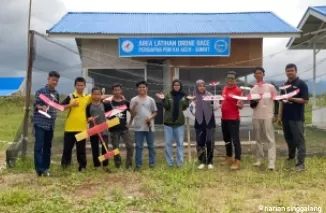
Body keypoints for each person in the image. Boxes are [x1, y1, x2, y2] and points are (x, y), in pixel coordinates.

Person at [60, 77, 110, 172]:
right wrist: (71, 105)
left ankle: (82, 167)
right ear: (75, 86)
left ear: (85, 86)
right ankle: (64, 166)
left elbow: (101, 96)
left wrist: (117, 97)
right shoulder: (70, 96)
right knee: (67, 149)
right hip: (69, 128)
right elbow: (60, 107)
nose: (80, 87)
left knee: (81, 150)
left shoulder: (88, 97)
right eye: (78, 85)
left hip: (82, 128)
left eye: (82, 85)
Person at [277, 63, 309, 171]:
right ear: (285, 72)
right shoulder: (284, 85)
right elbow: (281, 102)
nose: (289, 72)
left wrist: (291, 99)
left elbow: (305, 100)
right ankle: (291, 158)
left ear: (296, 71)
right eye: (288, 71)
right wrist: (279, 117)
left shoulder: (301, 84)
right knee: (289, 139)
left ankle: (300, 164)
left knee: (299, 140)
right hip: (286, 118)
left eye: (291, 70)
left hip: (297, 118)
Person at [156, 79, 190, 167]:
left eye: (178, 85)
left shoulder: (183, 96)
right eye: (175, 85)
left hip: (179, 123)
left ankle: (180, 163)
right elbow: (166, 107)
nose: (176, 86)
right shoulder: (168, 95)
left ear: (180, 86)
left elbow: (184, 107)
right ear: (173, 86)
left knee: (180, 143)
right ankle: (169, 163)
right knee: (168, 143)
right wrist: (163, 99)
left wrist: (188, 100)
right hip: (168, 123)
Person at [33, 71, 61, 177]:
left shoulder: (56, 94)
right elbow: (36, 104)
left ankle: (46, 168)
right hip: (40, 123)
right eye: (53, 80)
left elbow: (57, 106)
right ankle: (39, 169)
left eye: (57, 81)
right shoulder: (40, 91)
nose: (55, 82)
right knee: (39, 146)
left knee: (47, 147)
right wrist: (41, 107)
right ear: (48, 79)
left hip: (50, 124)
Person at [250, 67, 278, 170]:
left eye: (260, 73)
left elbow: (276, 101)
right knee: (258, 139)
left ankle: (271, 162)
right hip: (256, 116)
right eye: (256, 73)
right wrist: (255, 101)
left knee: (270, 139)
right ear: (254, 75)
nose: (258, 75)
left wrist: (276, 114)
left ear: (263, 74)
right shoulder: (253, 89)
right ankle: (259, 159)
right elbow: (252, 105)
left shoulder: (270, 87)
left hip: (268, 116)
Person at [129, 80, 158, 170]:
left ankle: (152, 164)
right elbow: (132, 114)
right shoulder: (134, 100)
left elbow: (155, 112)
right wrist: (134, 106)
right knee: (138, 146)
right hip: (138, 127)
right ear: (137, 89)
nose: (142, 89)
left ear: (147, 88)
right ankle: (138, 165)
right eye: (140, 87)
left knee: (151, 146)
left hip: (149, 127)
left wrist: (150, 118)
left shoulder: (151, 100)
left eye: (143, 87)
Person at [106, 83, 134, 169]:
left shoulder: (125, 102)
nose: (117, 91)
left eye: (119, 90)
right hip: (113, 129)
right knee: (115, 149)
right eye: (115, 90)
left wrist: (129, 123)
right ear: (112, 91)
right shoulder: (108, 103)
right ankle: (118, 165)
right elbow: (106, 115)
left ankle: (128, 165)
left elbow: (132, 113)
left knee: (130, 146)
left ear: (121, 91)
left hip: (124, 128)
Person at [193, 80, 218, 169]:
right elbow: (191, 110)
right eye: (200, 86)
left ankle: (210, 161)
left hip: (209, 121)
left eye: (203, 85)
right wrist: (193, 105)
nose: (202, 87)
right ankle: (202, 161)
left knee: (209, 141)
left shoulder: (210, 95)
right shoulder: (194, 96)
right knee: (200, 142)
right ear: (197, 87)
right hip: (199, 121)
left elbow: (216, 107)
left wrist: (211, 103)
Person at [221, 71, 243, 170]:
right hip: (224, 118)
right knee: (226, 140)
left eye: (232, 78)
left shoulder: (238, 90)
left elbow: (241, 105)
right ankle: (229, 157)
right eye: (228, 78)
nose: (230, 80)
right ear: (226, 79)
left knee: (235, 140)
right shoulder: (224, 88)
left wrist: (240, 105)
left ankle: (237, 161)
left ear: (235, 80)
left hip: (233, 119)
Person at [86, 87, 111, 172]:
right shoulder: (89, 106)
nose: (96, 96)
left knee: (105, 148)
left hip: (104, 130)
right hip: (93, 131)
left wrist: (108, 122)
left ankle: (105, 165)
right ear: (92, 95)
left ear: (101, 95)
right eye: (94, 94)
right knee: (94, 148)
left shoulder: (105, 104)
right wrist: (90, 119)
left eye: (98, 94)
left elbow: (110, 115)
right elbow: (86, 119)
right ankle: (97, 165)